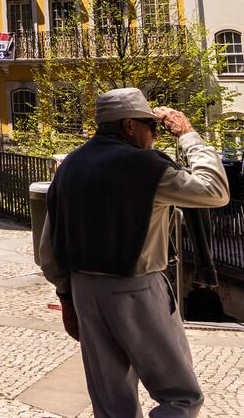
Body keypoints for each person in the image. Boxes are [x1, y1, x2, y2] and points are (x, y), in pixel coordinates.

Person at [37, 88, 228, 418]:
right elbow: (215, 191)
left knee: (111, 403)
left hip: (84, 291)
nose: (154, 135)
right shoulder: (145, 167)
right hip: (136, 288)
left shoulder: (70, 166)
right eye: (150, 127)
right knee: (180, 395)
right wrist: (189, 136)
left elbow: (49, 245)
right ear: (129, 126)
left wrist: (66, 298)